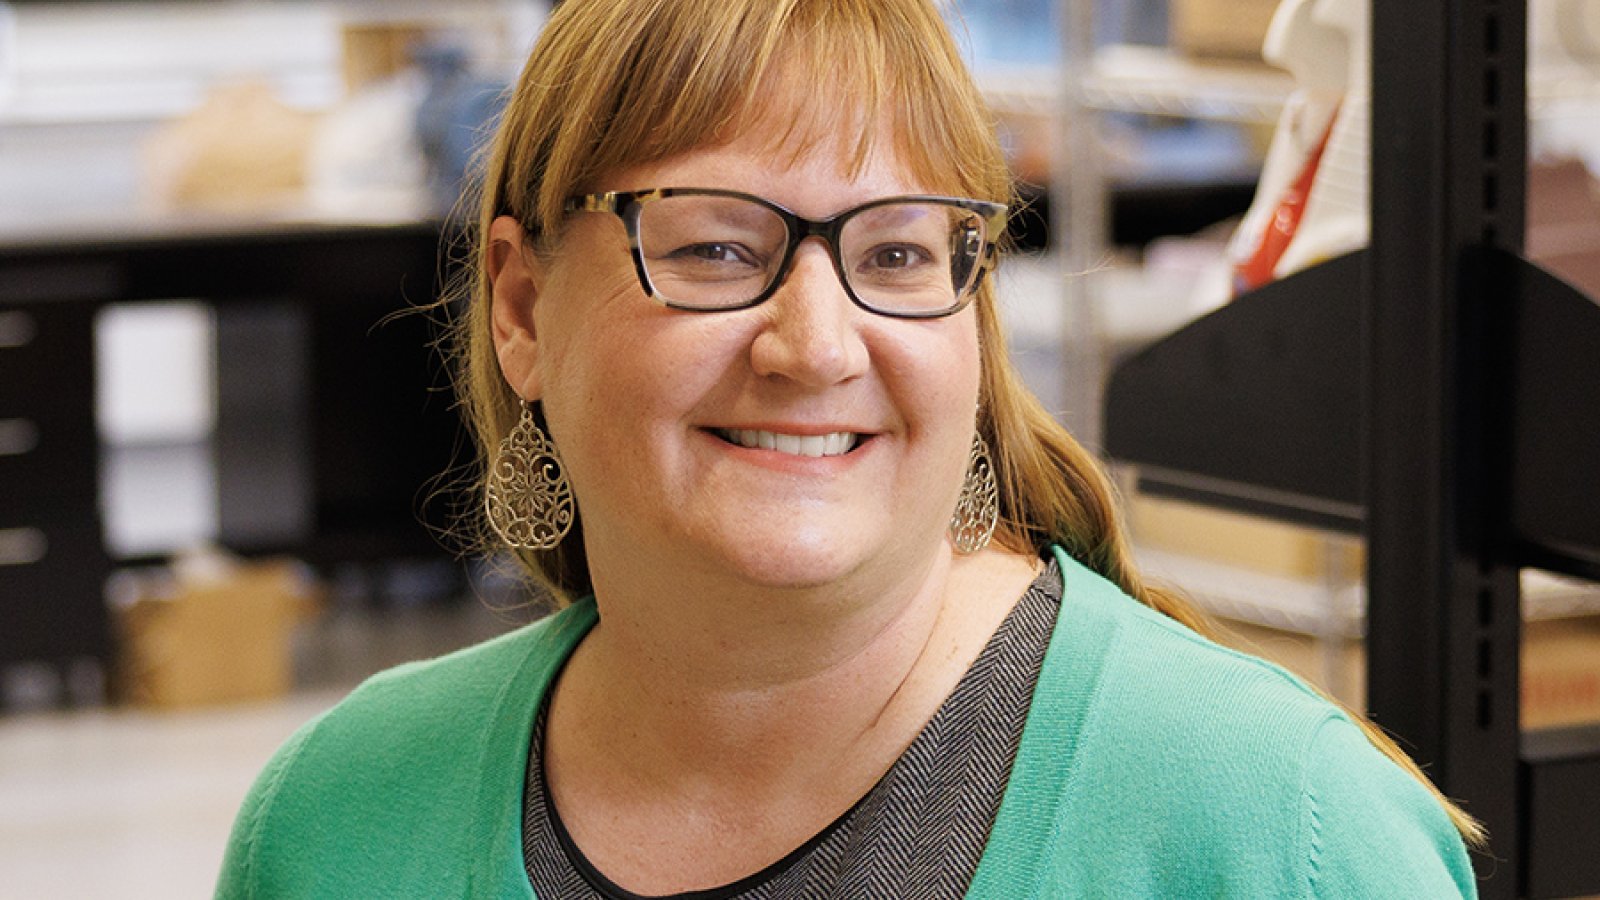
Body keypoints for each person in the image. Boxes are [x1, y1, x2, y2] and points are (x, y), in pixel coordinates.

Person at [216, 0, 1483, 896]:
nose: (816, 345)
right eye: (715, 246)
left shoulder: (1279, 837)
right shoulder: (337, 826)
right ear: (522, 309)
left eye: (894, 254)